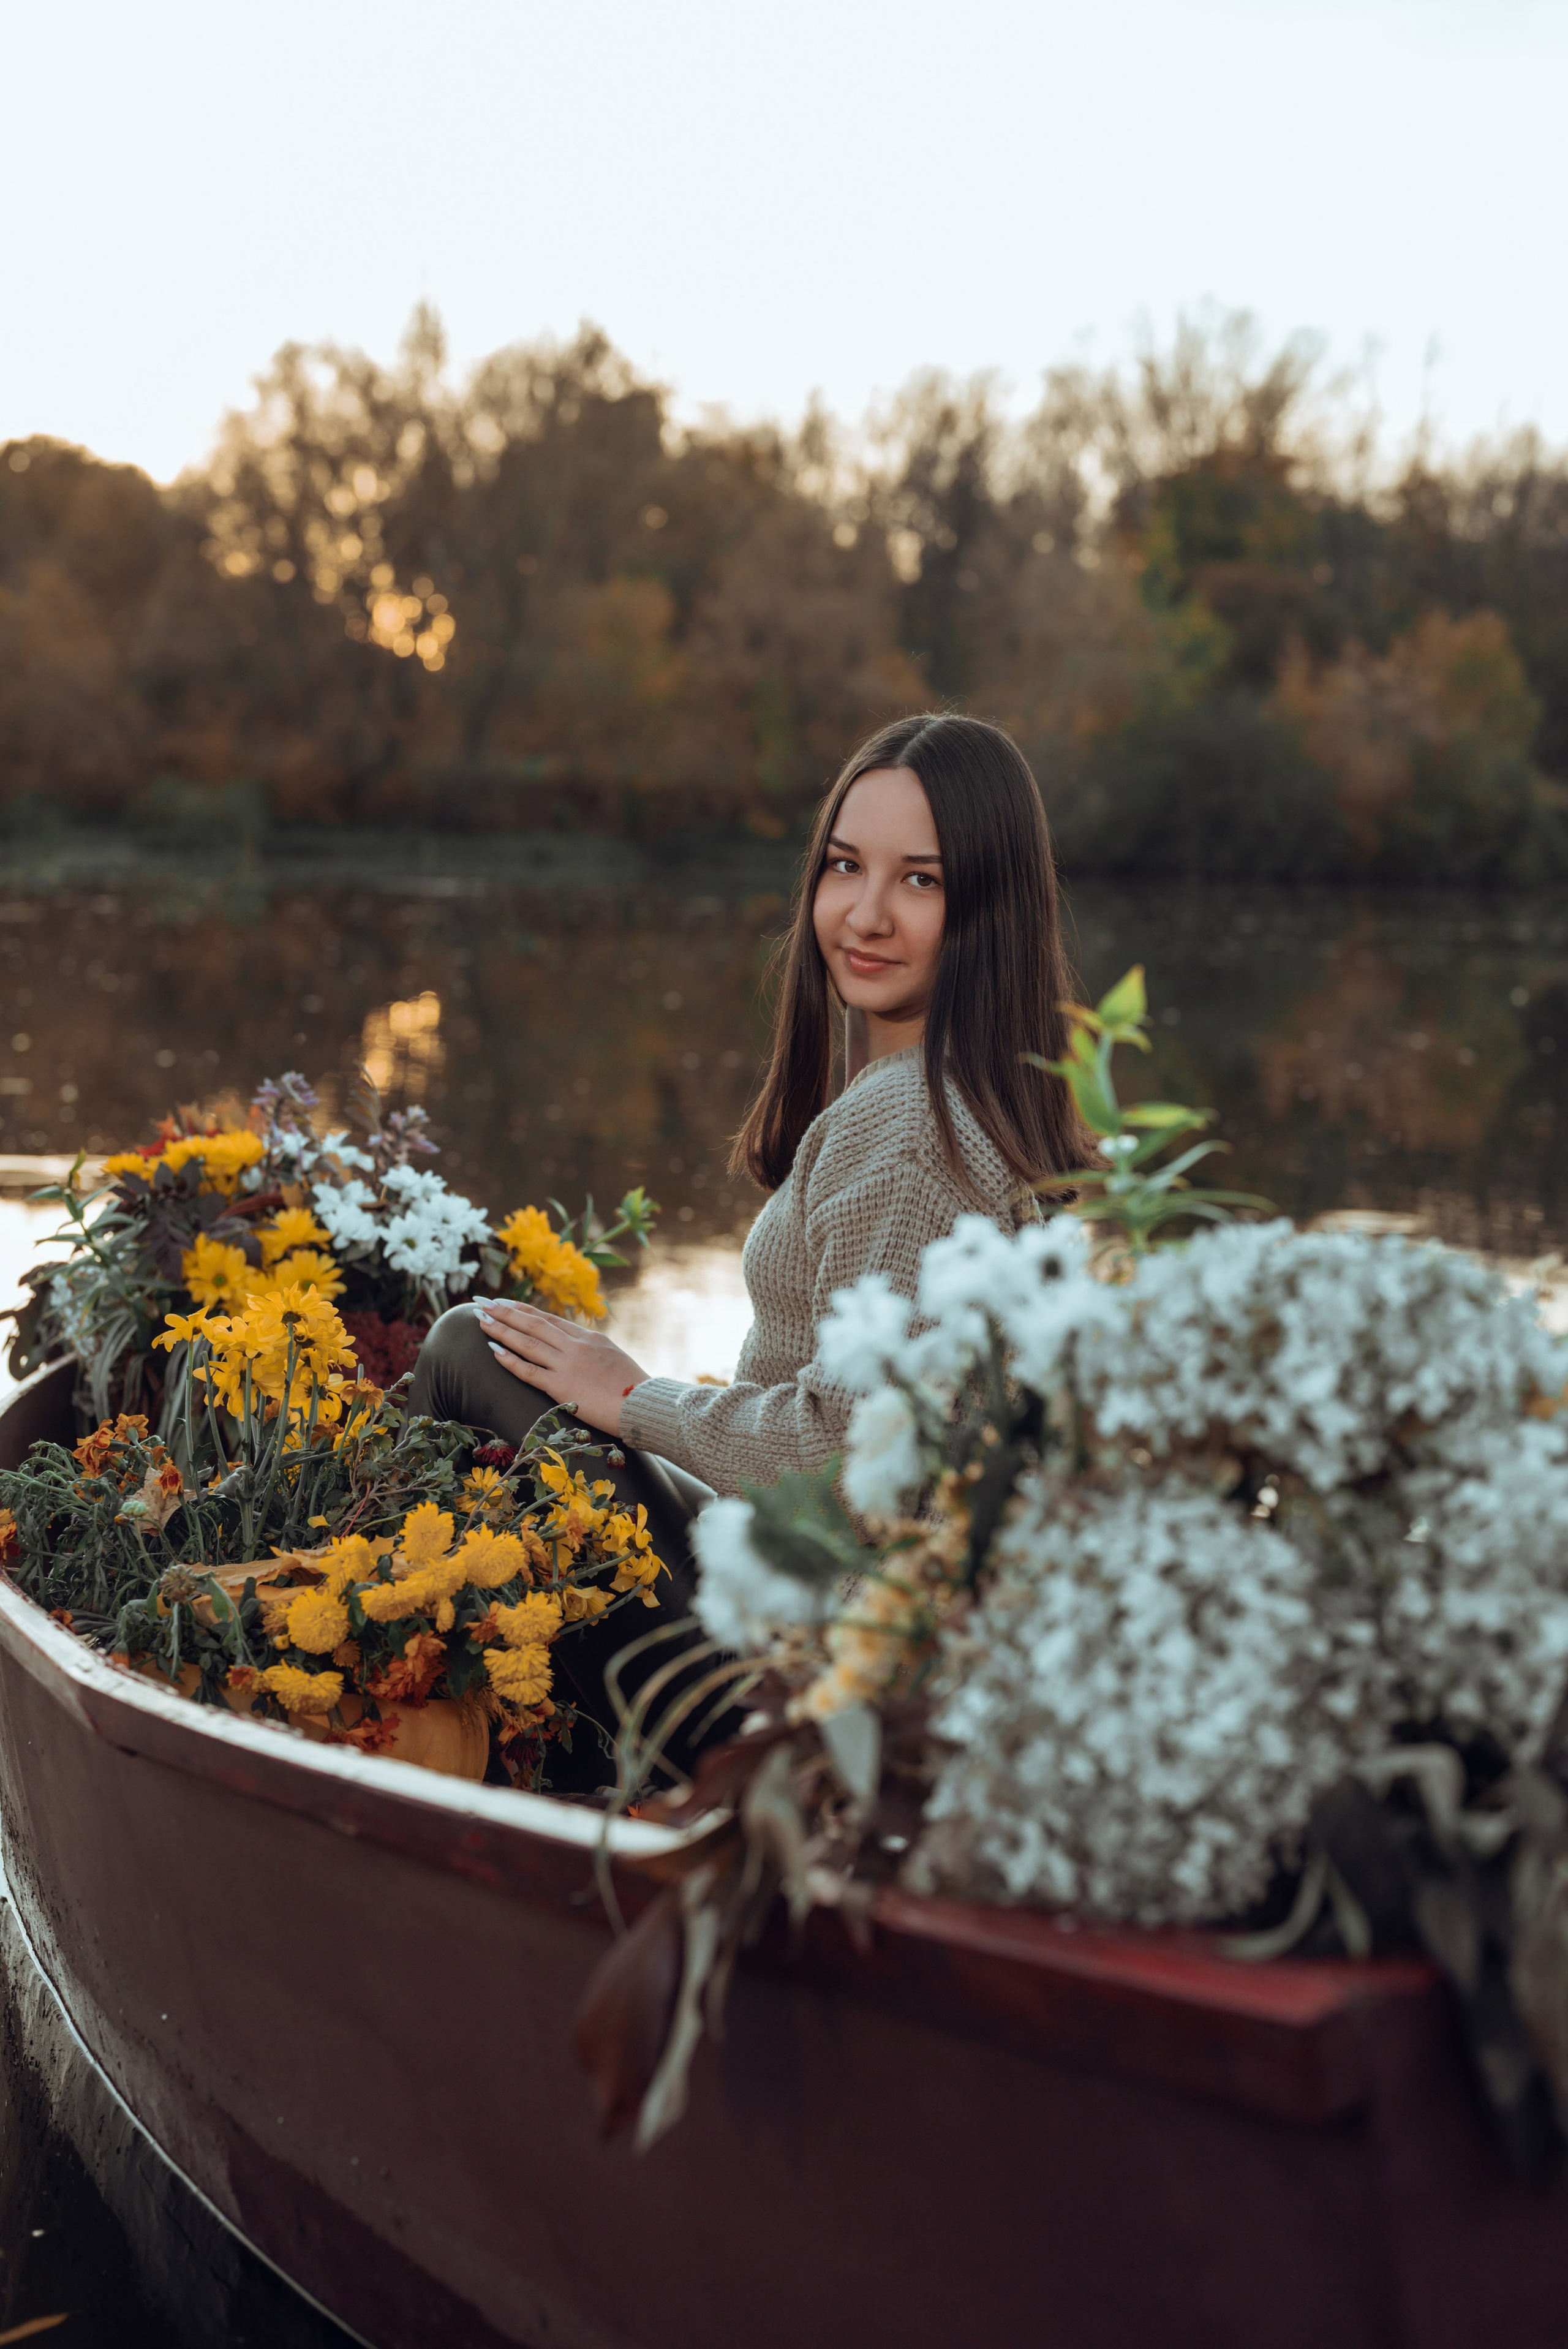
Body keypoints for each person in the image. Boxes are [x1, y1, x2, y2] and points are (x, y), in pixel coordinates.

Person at [408, 711, 1089, 1769]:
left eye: (921, 881)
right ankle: (533, 1745)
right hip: (815, 1614)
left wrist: (636, 1401)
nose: (865, 913)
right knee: (536, 1377)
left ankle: (447, 1733)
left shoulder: (910, 1126)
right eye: (845, 866)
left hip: (803, 1684)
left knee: (469, 1351)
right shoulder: (972, 1096)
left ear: (988, 908)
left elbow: (852, 1472)